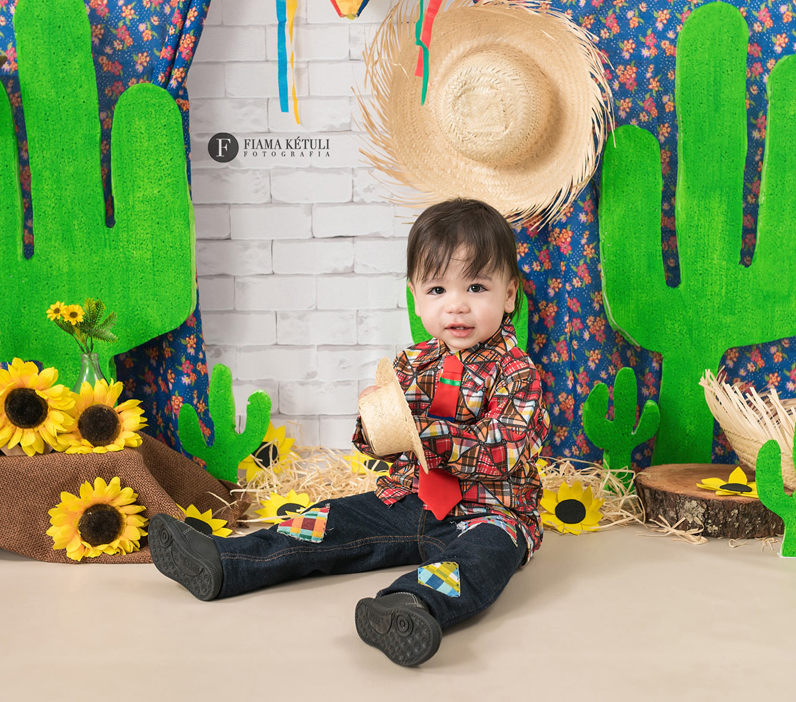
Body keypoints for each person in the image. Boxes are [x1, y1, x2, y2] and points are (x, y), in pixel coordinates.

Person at [147, 198, 549, 667]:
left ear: (509, 296)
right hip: (409, 500)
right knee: (324, 521)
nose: (456, 305)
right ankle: (227, 561)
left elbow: (505, 453)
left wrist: (426, 433)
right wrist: (375, 419)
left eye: (476, 287)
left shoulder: (518, 373)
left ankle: (409, 606)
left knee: (478, 561)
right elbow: (376, 448)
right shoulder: (412, 364)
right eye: (438, 289)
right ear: (416, 299)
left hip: (490, 511)